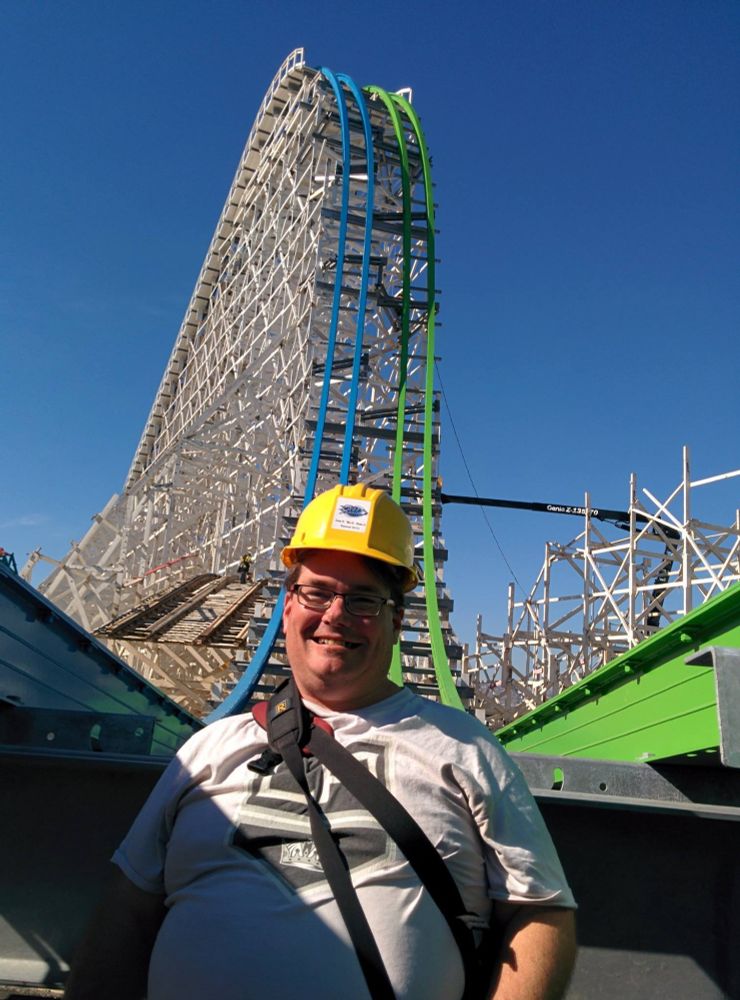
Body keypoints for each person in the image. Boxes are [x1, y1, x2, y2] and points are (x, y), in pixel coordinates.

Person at [66, 483, 576, 1000]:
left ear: (397, 621)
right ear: (288, 606)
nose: (335, 614)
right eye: (317, 592)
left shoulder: (465, 749)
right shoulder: (208, 748)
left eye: (363, 600)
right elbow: (127, 911)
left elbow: (540, 912)